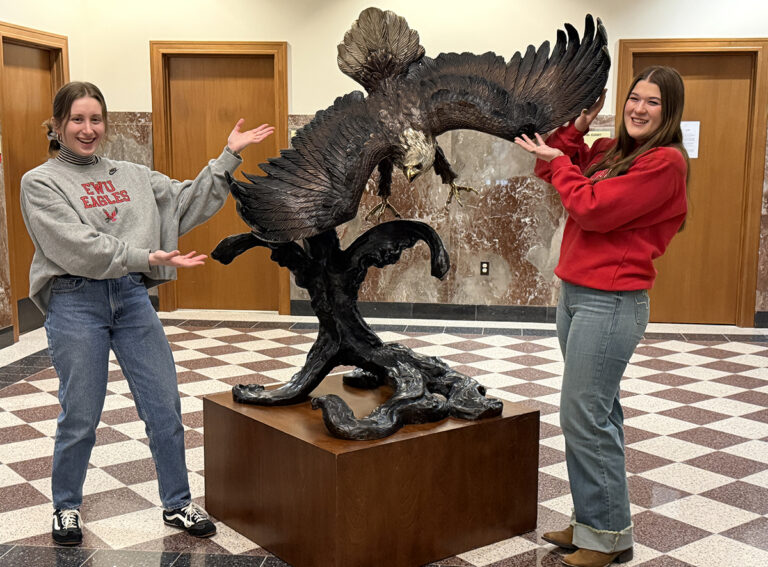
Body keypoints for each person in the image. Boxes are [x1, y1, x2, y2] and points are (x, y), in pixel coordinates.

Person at [20, 81, 275, 546]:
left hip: (131, 298)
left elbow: (182, 203)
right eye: (77, 119)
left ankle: (177, 503)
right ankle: (66, 506)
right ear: (57, 125)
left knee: (164, 405)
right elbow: (74, 247)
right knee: (80, 414)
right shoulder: (40, 182)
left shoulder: (131, 174)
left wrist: (227, 158)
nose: (88, 128)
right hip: (76, 301)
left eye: (96, 119)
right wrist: (146, 257)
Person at [514, 66, 688, 567]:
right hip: (577, 295)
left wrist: (562, 162)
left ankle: (607, 537)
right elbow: (554, 168)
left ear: (669, 110)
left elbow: (590, 207)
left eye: (652, 102)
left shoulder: (664, 164)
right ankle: (596, 520)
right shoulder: (616, 151)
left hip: (610, 303)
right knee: (596, 415)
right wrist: (577, 128)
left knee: (582, 416)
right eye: (634, 98)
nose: (639, 108)